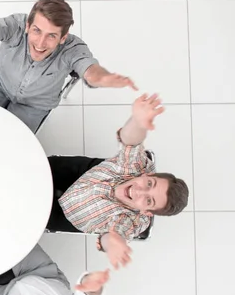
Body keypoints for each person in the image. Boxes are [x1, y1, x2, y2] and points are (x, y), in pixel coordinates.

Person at [47, 93, 189, 269]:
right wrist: (138, 121)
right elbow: (131, 142)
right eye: (149, 184)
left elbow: (114, 235)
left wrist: (113, 242)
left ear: (147, 212)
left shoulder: (134, 221)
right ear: (148, 175)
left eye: (148, 200)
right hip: (72, 176)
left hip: (63, 214)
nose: (138, 191)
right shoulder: (138, 167)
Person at [0, 0, 136, 132]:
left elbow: (90, 70)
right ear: (27, 26)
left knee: (9, 145)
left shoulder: (73, 48)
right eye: (37, 31)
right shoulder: (16, 24)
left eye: (51, 36)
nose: (40, 43)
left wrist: (102, 78)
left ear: (63, 38)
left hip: (34, 104)